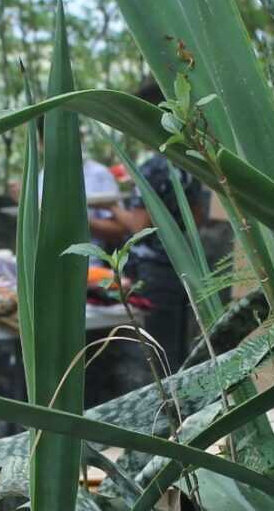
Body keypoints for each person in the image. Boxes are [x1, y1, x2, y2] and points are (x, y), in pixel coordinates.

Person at [88, 77, 211, 379]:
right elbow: (198, 218)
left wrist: (114, 208)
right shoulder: (189, 161)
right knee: (178, 348)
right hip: (181, 265)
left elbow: (139, 225)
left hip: (153, 270)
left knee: (154, 352)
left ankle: (163, 414)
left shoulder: (154, 167)